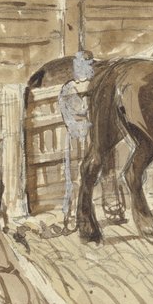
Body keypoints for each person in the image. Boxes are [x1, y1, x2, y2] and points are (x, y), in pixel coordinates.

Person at [57, 51, 95, 232]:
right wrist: (74, 126)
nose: (82, 68)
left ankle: (89, 214)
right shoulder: (69, 88)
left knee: (92, 174)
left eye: (86, 64)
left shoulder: (95, 85)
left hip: (93, 134)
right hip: (75, 134)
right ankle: (71, 215)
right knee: (73, 176)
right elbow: (67, 111)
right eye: (78, 65)